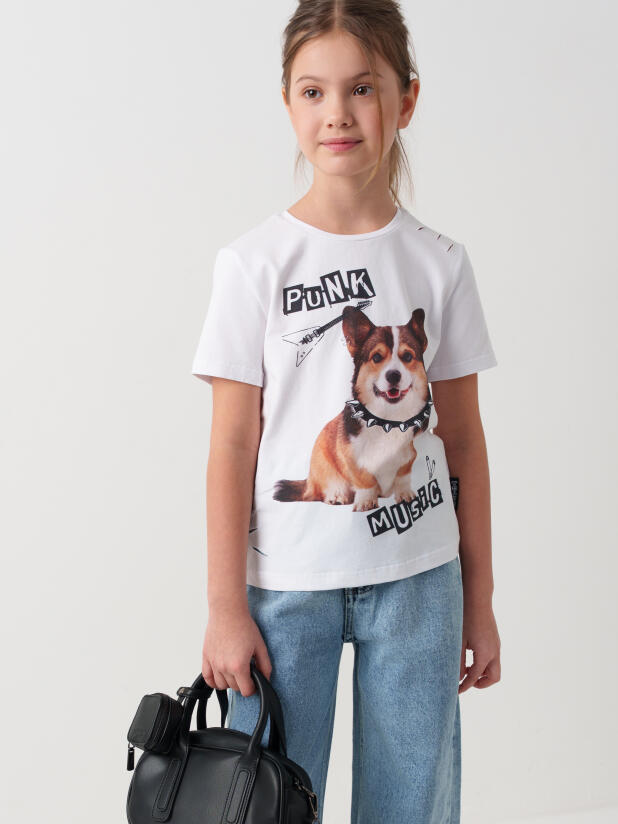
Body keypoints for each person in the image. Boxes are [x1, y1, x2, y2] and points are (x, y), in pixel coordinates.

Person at [191, 2, 501, 821]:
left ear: (407, 99)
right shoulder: (253, 264)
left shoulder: (441, 263)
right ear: (288, 104)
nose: (337, 113)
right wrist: (224, 609)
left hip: (420, 583)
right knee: (266, 802)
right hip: (285, 587)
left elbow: (465, 443)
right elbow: (231, 446)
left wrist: (479, 600)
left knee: (411, 805)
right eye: (313, 91)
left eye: (362, 88)